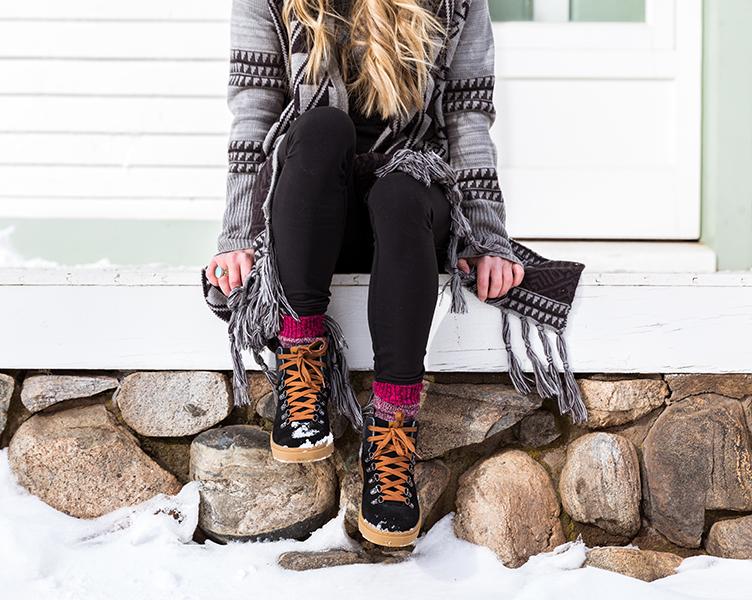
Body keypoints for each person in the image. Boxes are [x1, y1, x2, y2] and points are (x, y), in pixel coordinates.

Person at [203, 0, 583, 548]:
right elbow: (255, 113)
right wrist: (239, 235)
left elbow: (466, 120)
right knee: (320, 127)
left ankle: (392, 434)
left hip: (405, 213)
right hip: (306, 214)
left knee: (404, 191)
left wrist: (486, 238)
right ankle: (301, 364)